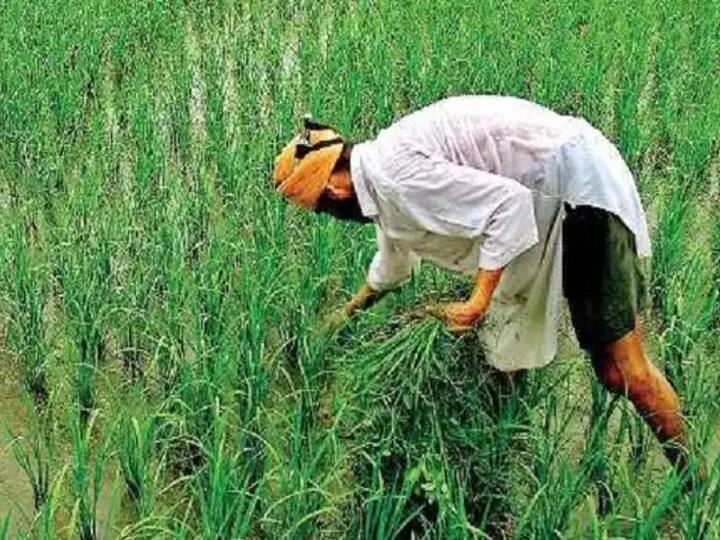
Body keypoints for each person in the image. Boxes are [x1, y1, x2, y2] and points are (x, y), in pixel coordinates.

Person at [272, 96, 688, 470]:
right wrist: (347, 314)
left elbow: (508, 207)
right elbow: (392, 262)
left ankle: (693, 484)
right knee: (503, 348)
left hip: (579, 186)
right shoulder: (379, 180)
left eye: (324, 209)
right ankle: (497, 446)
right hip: (549, 194)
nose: (332, 217)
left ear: (335, 188)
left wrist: (475, 303)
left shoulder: (395, 178)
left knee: (621, 370)